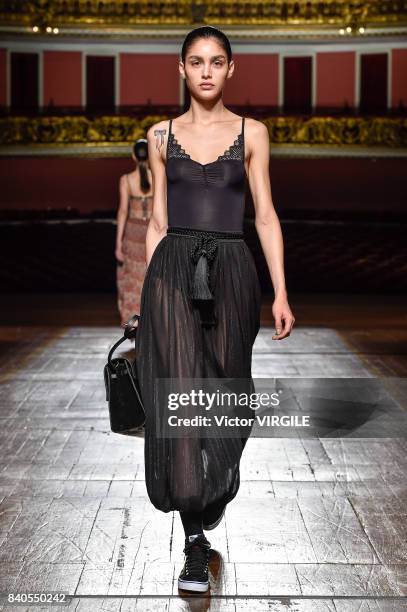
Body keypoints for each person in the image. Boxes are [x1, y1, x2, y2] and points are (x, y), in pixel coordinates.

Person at [133, 25, 295, 593]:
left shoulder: (253, 133)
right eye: (196, 61)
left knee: (228, 396)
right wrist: (143, 302)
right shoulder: (160, 135)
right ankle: (194, 540)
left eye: (217, 61)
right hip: (173, 270)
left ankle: (213, 489)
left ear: (231, 69)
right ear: (181, 69)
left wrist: (280, 291)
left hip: (231, 272)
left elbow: (266, 216)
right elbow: (156, 220)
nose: (206, 70)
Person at [116, 139, 153, 326]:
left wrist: (118, 245)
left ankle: (135, 323)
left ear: (133, 155)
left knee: (133, 278)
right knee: (151, 277)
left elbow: (123, 212)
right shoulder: (158, 177)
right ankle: (153, 322)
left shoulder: (126, 180)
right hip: (152, 232)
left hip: (132, 233)